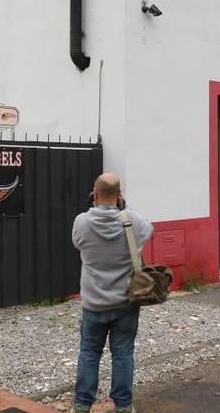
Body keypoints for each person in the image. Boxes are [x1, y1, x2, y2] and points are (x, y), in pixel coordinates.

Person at [71, 173, 153, 413]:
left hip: (93, 303)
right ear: (119, 196)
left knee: (89, 353)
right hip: (125, 302)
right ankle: (124, 406)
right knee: (123, 354)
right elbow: (150, 230)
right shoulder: (132, 222)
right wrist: (125, 210)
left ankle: (82, 405)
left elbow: (78, 243)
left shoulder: (81, 222)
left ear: (94, 194)